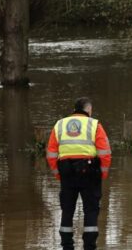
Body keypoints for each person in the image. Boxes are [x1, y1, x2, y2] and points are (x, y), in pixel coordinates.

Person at [46, 97, 112, 250]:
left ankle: (67, 245)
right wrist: (102, 174)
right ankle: (89, 245)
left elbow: (51, 153)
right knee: (91, 209)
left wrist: (58, 174)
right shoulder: (94, 124)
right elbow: (105, 153)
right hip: (89, 171)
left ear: (74, 109)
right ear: (88, 110)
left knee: (67, 209)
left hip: (66, 171)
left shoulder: (59, 125)